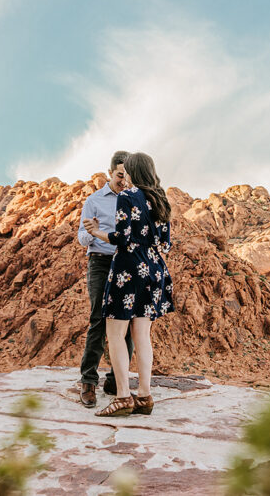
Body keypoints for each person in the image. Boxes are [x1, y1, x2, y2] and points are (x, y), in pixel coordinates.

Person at [83, 152, 174, 417]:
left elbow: (121, 237)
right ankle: (144, 396)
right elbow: (166, 244)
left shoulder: (127, 196)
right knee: (142, 336)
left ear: (133, 171)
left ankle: (123, 397)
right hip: (154, 269)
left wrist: (97, 232)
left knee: (114, 333)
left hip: (128, 268)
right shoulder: (161, 200)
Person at [76, 151, 135, 408]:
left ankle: (115, 380)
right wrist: (93, 231)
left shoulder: (134, 199)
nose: (124, 181)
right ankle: (88, 381)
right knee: (99, 319)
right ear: (111, 172)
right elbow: (81, 239)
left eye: (128, 176)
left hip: (126, 263)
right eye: (120, 175)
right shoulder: (94, 200)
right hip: (100, 262)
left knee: (128, 322)